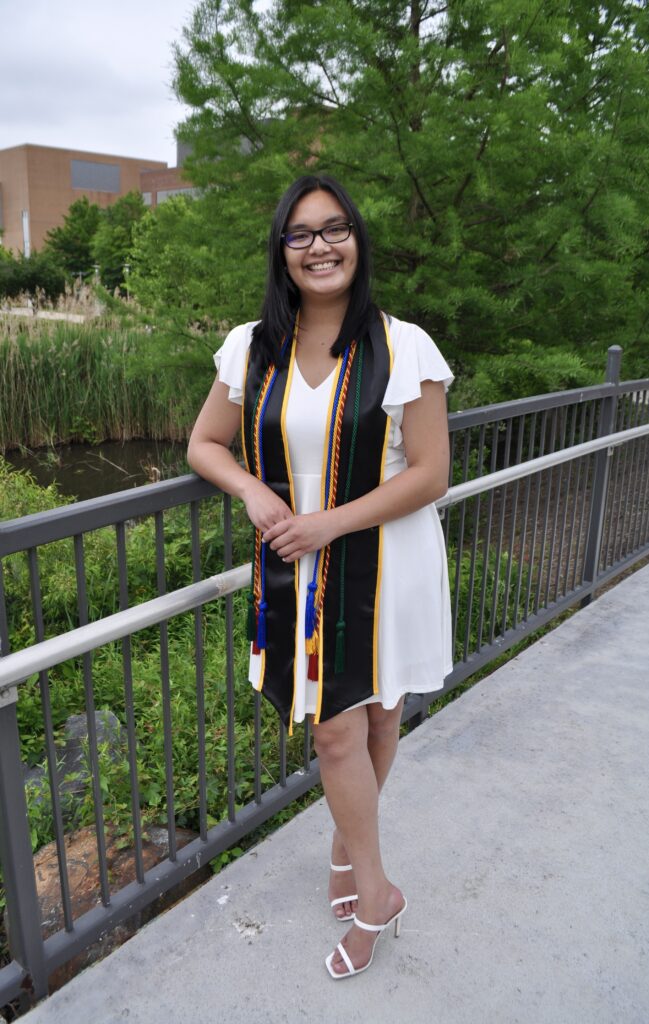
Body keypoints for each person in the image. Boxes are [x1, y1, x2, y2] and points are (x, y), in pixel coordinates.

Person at [187, 174, 453, 979]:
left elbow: (433, 472)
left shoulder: (405, 344)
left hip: (388, 559)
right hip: (299, 575)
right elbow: (205, 444)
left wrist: (326, 521)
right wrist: (255, 492)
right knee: (336, 727)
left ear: (358, 241)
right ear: (282, 251)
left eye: (335, 229)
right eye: (301, 234)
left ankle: (347, 850)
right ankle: (376, 889)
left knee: (379, 720)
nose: (320, 246)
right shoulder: (251, 345)